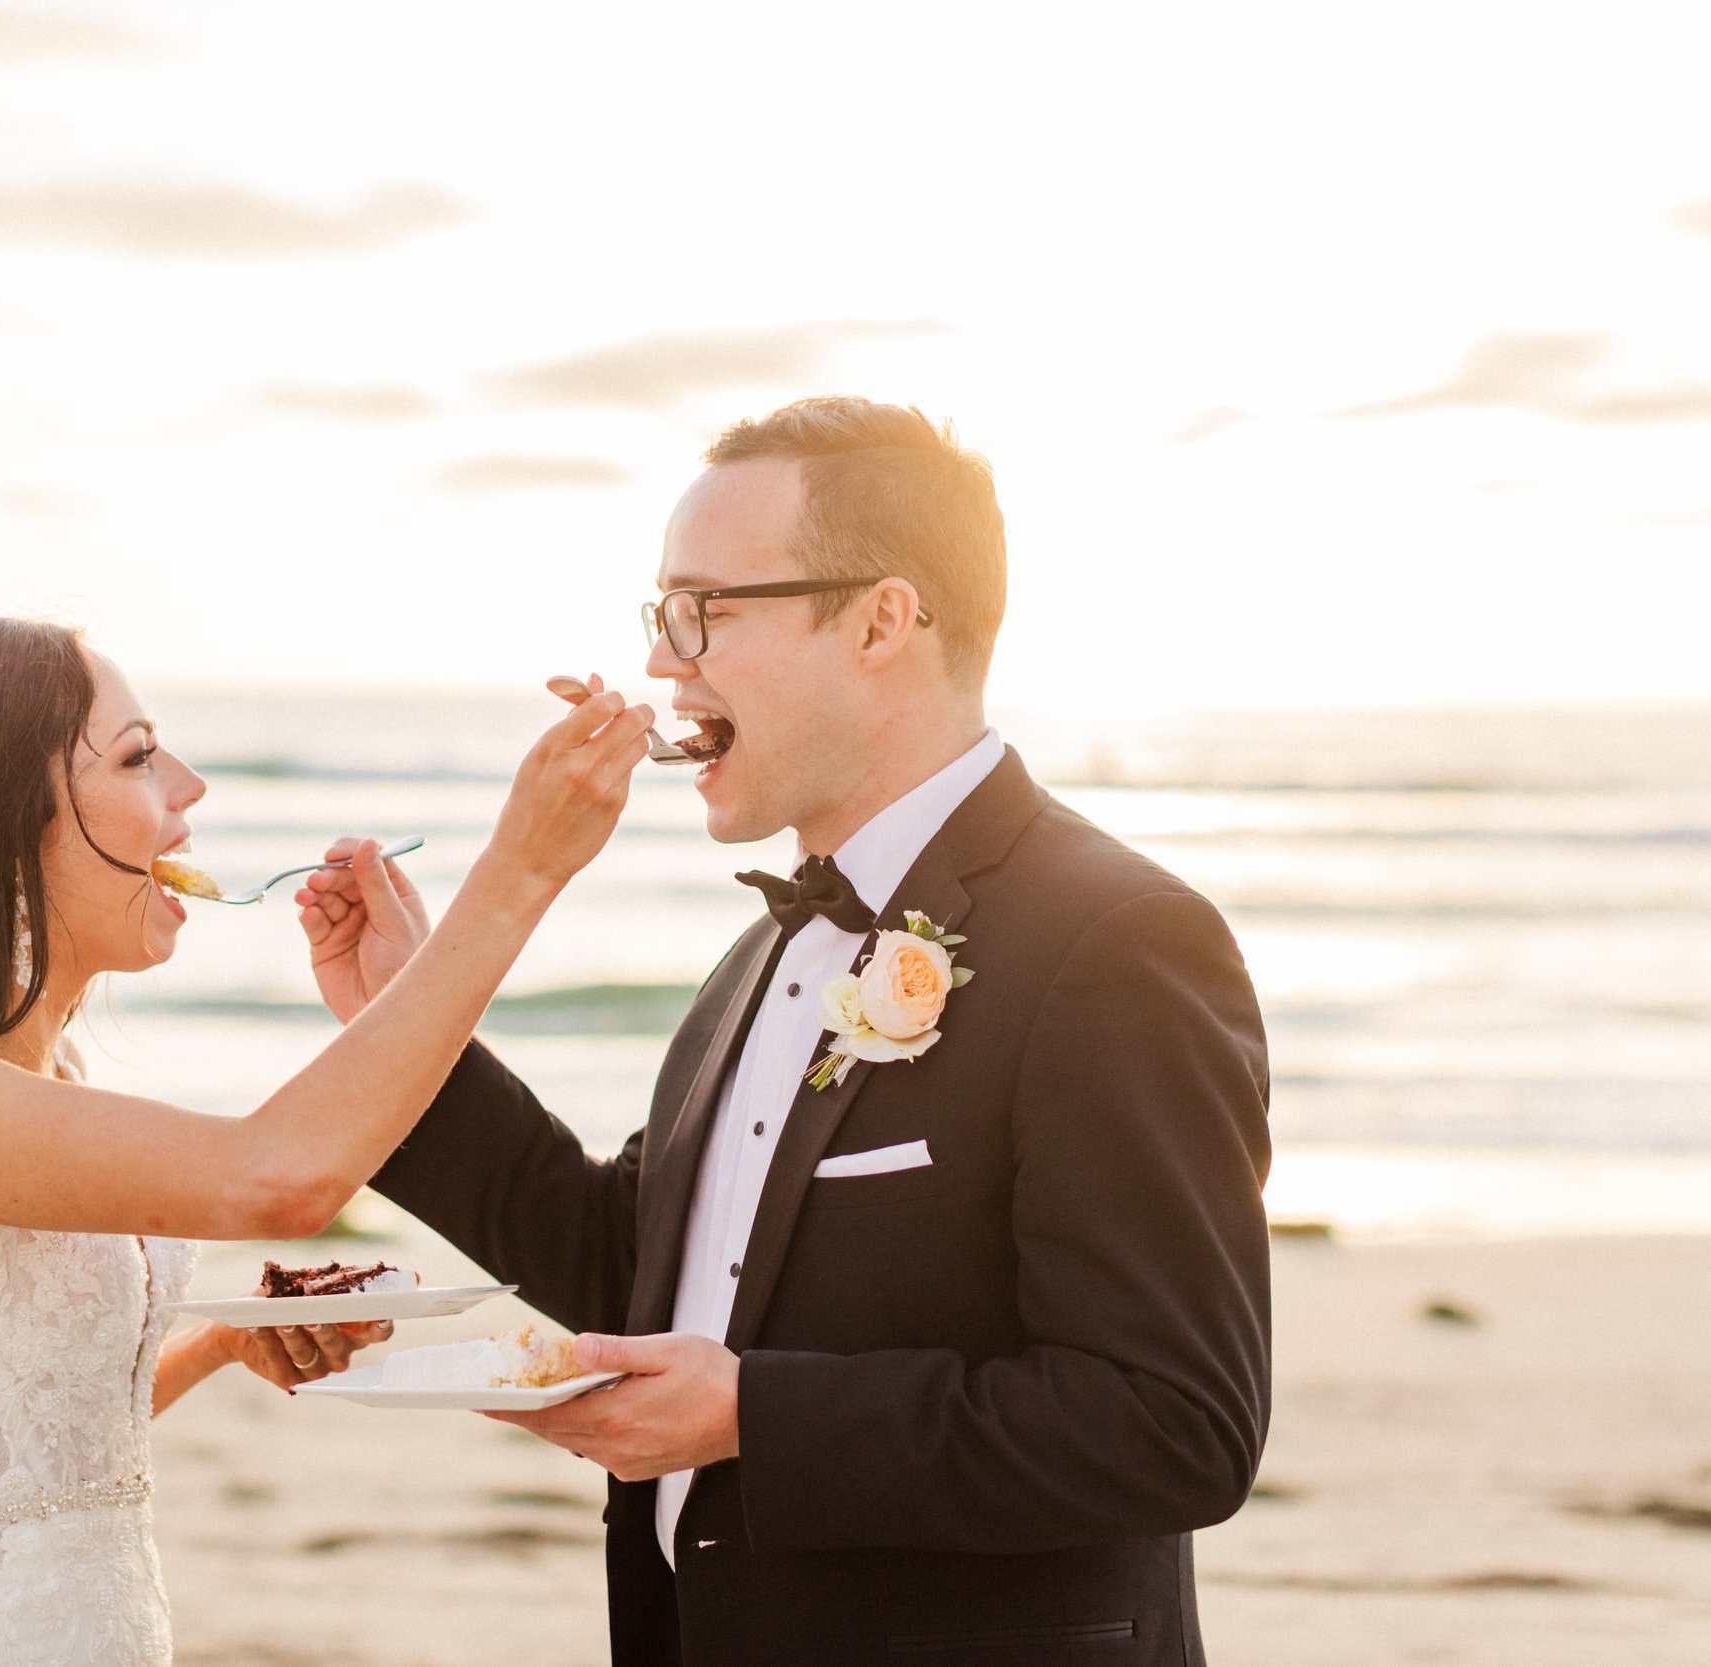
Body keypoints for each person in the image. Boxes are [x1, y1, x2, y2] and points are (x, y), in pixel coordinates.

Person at [299, 399, 1273, 1665]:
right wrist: (403, 1020)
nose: (664, 662)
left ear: (881, 619)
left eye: (705, 610)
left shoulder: (1119, 939)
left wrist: (757, 1413)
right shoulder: (763, 953)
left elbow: (1171, 1424)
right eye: (660, 614)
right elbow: (628, 1266)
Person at [0, 617, 653, 1667]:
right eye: (134, 756)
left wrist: (218, 1341)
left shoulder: (34, 1073)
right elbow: (281, 1177)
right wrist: (518, 873)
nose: (191, 785)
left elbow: (4, 1449)